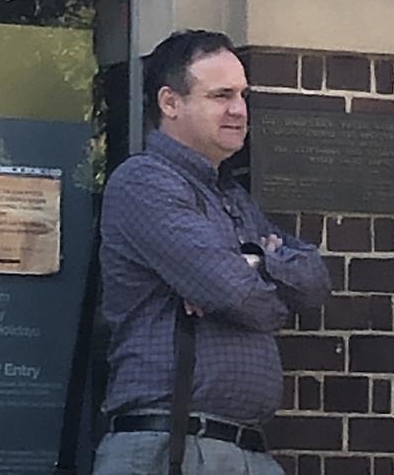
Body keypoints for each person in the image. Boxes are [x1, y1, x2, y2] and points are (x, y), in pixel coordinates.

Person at [93, 29, 331, 475]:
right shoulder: (145, 182)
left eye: (242, 95)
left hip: (241, 450)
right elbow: (241, 297)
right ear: (170, 103)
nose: (239, 110)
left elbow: (316, 282)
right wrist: (252, 275)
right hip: (170, 447)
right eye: (221, 95)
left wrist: (255, 260)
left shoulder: (234, 199)